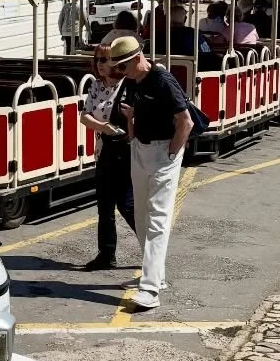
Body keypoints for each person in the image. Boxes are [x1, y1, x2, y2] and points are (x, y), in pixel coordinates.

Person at [107, 33, 195, 312]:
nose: (119, 73)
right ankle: (157, 276)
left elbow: (186, 121)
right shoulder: (134, 81)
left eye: (122, 67)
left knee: (157, 219)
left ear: (136, 59)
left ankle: (150, 288)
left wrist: (171, 153)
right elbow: (133, 112)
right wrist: (133, 134)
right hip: (141, 149)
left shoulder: (162, 80)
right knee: (143, 217)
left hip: (161, 152)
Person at [80, 44, 135, 271]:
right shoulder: (96, 86)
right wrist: (105, 127)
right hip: (104, 150)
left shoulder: (128, 85)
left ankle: (153, 248)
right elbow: (84, 116)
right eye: (98, 59)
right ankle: (106, 254)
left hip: (125, 152)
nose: (100, 64)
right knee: (104, 205)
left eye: (105, 59)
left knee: (127, 205)